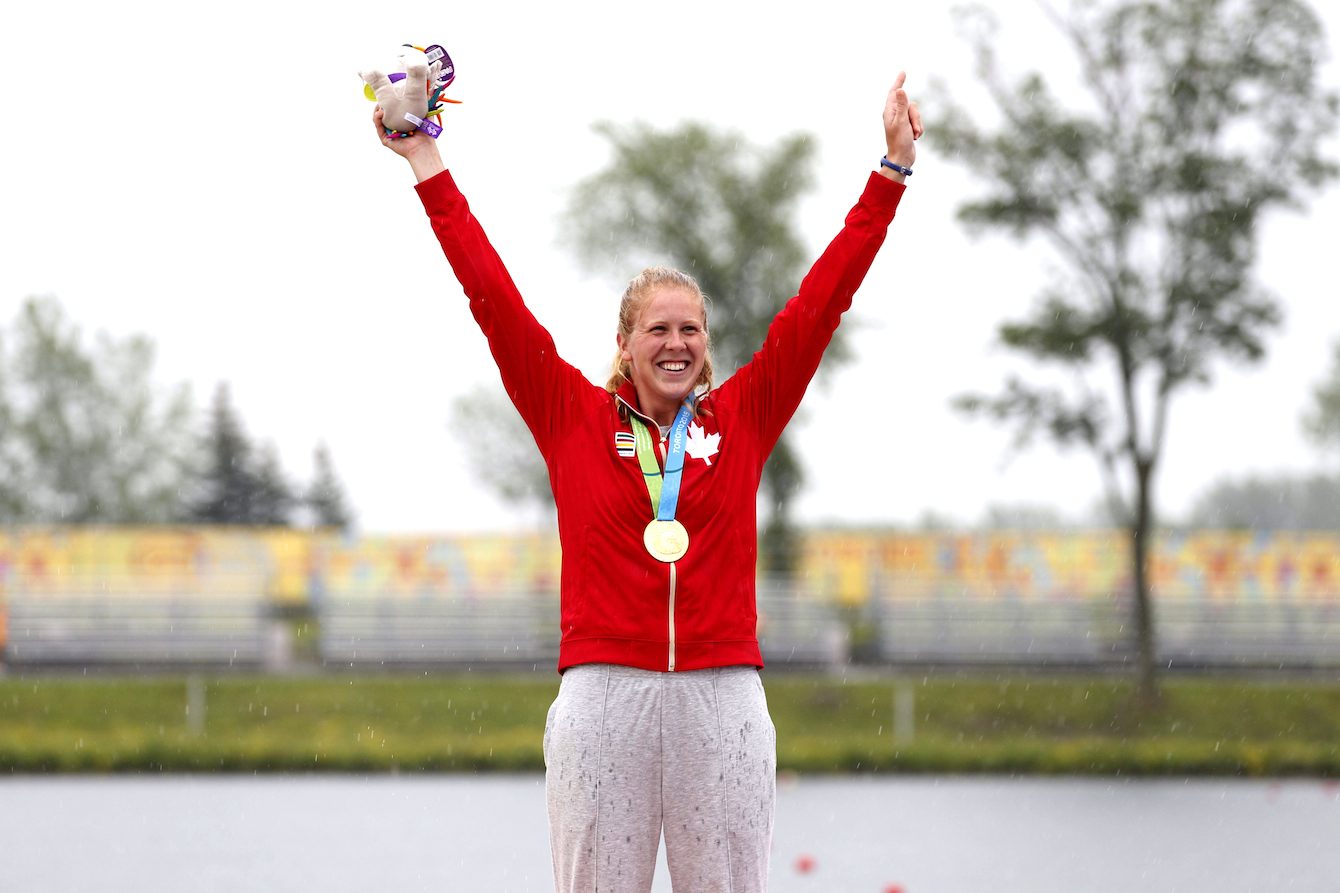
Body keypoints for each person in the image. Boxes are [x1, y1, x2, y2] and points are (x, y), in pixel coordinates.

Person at [373, 72, 922, 893]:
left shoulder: (743, 416)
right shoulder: (569, 414)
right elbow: (492, 296)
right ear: (626, 343)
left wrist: (891, 173)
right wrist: (425, 158)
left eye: (690, 330)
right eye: (657, 329)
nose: (676, 344)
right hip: (603, 696)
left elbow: (821, 303)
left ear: (707, 343)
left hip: (722, 694)